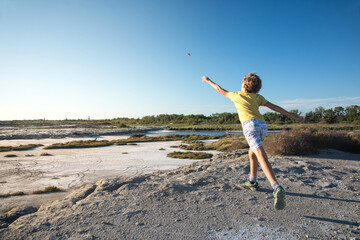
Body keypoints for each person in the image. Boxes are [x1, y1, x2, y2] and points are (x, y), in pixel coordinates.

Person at [202, 73, 304, 210]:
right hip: (262, 126)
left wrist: (208, 81)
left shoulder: (236, 95)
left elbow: (219, 89)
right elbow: (274, 107)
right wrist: (293, 116)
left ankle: (276, 186)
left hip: (250, 127)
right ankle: (252, 182)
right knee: (252, 154)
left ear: (244, 85)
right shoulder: (258, 97)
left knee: (261, 156)